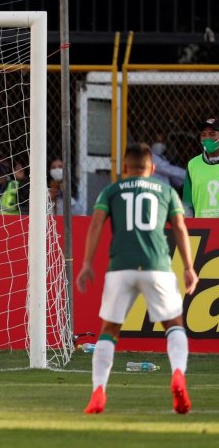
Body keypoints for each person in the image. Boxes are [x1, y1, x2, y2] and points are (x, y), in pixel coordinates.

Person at [75, 143, 197, 415]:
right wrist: (188, 266)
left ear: (125, 169)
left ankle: (98, 391)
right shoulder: (165, 191)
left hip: (121, 267)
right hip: (157, 267)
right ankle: (178, 374)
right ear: (152, 169)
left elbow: (95, 224)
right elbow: (179, 226)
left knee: (109, 330)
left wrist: (85, 264)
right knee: (174, 325)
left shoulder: (111, 190)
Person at [183, 118, 219, 218]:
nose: (207, 139)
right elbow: (187, 205)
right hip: (203, 230)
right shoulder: (193, 164)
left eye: (212, 134)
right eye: (203, 135)